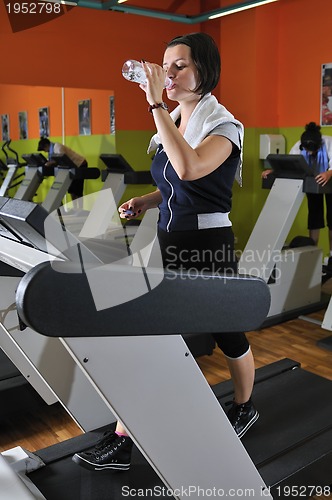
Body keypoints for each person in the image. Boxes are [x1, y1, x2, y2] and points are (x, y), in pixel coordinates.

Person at [72, 32, 259, 473]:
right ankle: (125, 437)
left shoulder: (223, 126)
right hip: (172, 238)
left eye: (180, 66)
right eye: (165, 65)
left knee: (225, 333)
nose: (169, 73)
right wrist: (147, 201)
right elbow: (176, 182)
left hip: (208, 245)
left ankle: (244, 406)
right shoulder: (175, 119)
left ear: (205, 72)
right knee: (155, 337)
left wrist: (155, 104)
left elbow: (191, 167)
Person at [262, 122, 332, 258]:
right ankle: (313, 252)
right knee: (314, 216)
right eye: (307, 150)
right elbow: (289, 163)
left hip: (330, 180)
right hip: (314, 181)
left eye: (313, 150)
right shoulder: (298, 145)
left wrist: (328, 173)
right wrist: (273, 171)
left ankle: (331, 255)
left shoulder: (329, 142)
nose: (310, 153)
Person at [37, 137, 88, 209]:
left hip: (80, 165)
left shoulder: (57, 147)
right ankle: (75, 209)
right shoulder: (52, 151)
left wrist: (50, 163)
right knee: (71, 189)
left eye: (44, 149)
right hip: (71, 166)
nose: (45, 151)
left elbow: (62, 159)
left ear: (47, 145)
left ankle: (80, 210)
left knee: (78, 189)